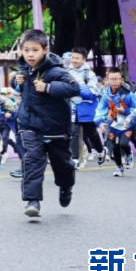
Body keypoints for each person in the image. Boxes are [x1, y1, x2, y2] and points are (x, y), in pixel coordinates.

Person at [13, 29, 80, 218]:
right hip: (29, 125)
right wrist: (16, 82)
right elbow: (18, 87)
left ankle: (66, 187)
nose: (30, 54)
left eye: (35, 50)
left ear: (45, 50)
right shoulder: (24, 71)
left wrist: (48, 87)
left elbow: (74, 88)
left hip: (56, 127)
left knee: (62, 164)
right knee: (32, 160)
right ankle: (32, 201)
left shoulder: (56, 71)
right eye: (26, 50)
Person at [94, 67, 136, 177]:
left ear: (122, 80)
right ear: (107, 80)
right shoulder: (106, 95)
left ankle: (128, 154)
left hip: (127, 124)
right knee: (114, 147)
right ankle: (119, 167)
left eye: (116, 79)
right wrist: (99, 122)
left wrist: (125, 111)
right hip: (113, 123)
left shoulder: (128, 94)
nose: (113, 81)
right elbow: (100, 110)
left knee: (123, 143)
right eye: (111, 79)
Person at [67, 48, 103, 168]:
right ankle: (75, 159)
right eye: (73, 57)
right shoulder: (67, 72)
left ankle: (101, 151)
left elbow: (92, 93)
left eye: (77, 58)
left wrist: (75, 87)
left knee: (91, 133)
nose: (74, 60)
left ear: (84, 59)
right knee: (74, 133)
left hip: (86, 108)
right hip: (72, 108)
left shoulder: (89, 74)